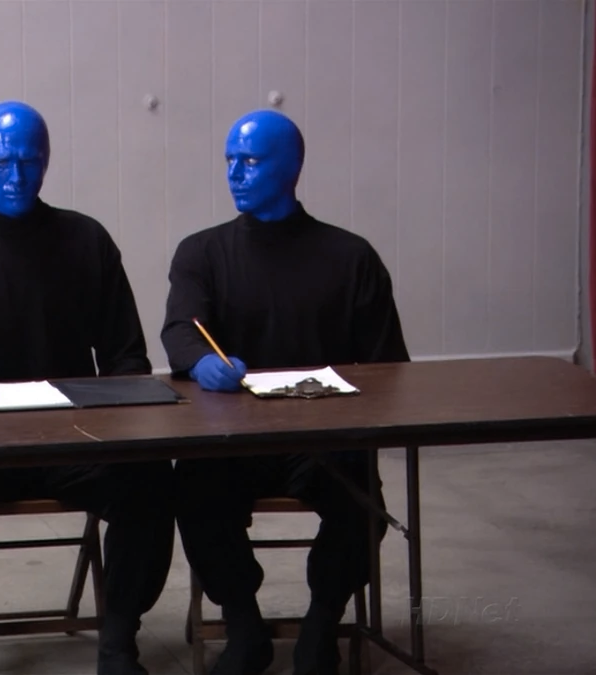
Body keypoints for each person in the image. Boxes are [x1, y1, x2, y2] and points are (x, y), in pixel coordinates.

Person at [0, 101, 175, 675]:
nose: (15, 175)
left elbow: (126, 354)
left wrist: (120, 411)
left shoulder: (86, 239)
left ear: (47, 160)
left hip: (74, 438)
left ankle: (119, 638)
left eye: (28, 161)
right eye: (1, 162)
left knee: (150, 482)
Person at [161, 109, 409, 675]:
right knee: (193, 492)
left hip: (323, 439)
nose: (234, 173)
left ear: (292, 167)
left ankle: (321, 626)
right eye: (229, 160)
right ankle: (244, 627)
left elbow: (389, 368)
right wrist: (203, 362)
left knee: (361, 505)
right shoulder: (201, 252)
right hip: (231, 439)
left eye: (250, 160)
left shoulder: (350, 257)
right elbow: (180, 330)